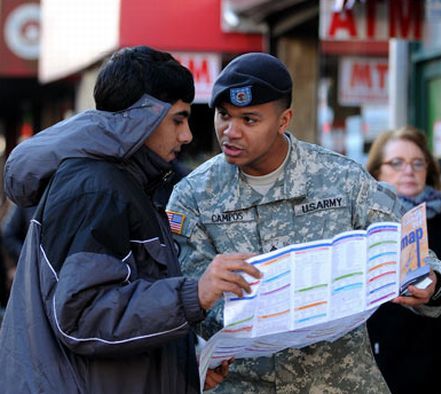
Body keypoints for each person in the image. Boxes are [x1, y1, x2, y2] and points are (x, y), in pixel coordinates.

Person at [166, 52, 441, 393]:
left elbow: (405, 245)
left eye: (250, 120)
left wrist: (430, 281)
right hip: (242, 384)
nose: (231, 131)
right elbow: (184, 297)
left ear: (284, 120)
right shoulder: (193, 197)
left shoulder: (341, 178)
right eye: (224, 116)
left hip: (340, 382)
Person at [0, 46, 262, 394]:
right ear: (141, 118)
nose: (187, 136)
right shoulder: (94, 188)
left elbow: (125, 320)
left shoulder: (125, 183)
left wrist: (186, 369)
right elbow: (83, 317)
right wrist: (194, 294)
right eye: (178, 120)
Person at [366, 126, 441, 394]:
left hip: (434, 355)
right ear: (377, 171)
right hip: (375, 355)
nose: (409, 170)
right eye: (397, 163)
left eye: (417, 163)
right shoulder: (361, 221)